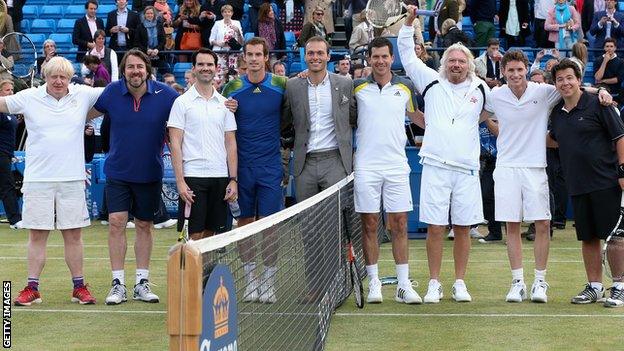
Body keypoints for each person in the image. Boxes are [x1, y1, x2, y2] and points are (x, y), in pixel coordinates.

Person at [399, 5, 489, 303]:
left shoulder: (482, 88)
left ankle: (460, 283)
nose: (456, 65)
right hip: (436, 166)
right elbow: (406, 55)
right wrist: (410, 22)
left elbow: (514, 101)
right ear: (444, 63)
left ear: (469, 65)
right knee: (436, 228)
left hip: (466, 169)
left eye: (461, 61)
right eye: (451, 60)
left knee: (463, 228)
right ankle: (434, 283)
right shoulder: (430, 81)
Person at [8, 57, 102, 306]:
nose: (59, 81)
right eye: (54, 76)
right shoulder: (29, 96)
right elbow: (3, 103)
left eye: (63, 76)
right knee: (37, 235)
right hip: (38, 179)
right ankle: (32, 288)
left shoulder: (83, 94)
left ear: (70, 78)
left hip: (72, 179)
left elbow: (115, 95)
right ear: (45, 76)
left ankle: (79, 287)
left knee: (73, 235)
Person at [89, 49, 179, 305]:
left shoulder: (167, 95)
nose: (135, 71)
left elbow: (190, 114)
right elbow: (82, 114)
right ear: (124, 70)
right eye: (130, 67)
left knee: (143, 225)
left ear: (147, 69)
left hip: (150, 173)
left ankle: (142, 282)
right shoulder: (111, 92)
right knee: (117, 222)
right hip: (117, 172)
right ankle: (118, 284)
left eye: (140, 66)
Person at [281, 36, 353, 302]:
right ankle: (315, 288)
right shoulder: (292, 85)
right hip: (305, 164)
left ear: (328, 55)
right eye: (310, 53)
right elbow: (284, 119)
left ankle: (335, 286)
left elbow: (353, 117)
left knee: (333, 229)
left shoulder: (345, 83)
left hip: (336, 161)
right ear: (305, 55)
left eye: (319, 53)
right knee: (309, 230)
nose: (315, 57)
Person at [352, 37, 422, 304]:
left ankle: (404, 285)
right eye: (375, 57)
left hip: (396, 165)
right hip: (366, 166)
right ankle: (374, 283)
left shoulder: (406, 86)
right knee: (370, 225)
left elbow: (418, 118)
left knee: (400, 224)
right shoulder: (357, 87)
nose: (380, 61)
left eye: (384, 56)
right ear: (369, 59)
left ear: (392, 58)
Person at [548, 58, 624, 307]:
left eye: (570, 77)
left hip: (607, 182)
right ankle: (595, 286)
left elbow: (620, 137)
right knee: (588, 238)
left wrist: (623, 171)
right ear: (555, 84)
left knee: (615, 238)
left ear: (579, 80)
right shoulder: (556, 114)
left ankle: (620, 286)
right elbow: (554, 140)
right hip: (577, 185)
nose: (565, 82)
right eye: (560, 79)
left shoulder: (599, 104)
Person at [222, 37, 287, 304]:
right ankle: (251, 281)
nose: (254, 58)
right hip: (242, 168)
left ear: (266, 57)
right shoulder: (231, 88)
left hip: (271, 167)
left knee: (270, 227)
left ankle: (269, 283)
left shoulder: (282, 85)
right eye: (249, 54)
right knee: (244, 225)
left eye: (258, 54)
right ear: (244, 58)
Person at [168, 48, 237, 240]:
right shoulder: (181, 103)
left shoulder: (225, 104)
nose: (205, 68)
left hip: (220, 177)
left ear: (216, 68)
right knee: (193, 236)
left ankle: (205, 272)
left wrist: (233, 179)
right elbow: (175, 144)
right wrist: (180, 182)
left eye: (209, 65)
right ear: (193, 69)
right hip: (193, 177)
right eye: (201, 64)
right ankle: (191, 272)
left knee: (213, 236)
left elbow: (230, 144)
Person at [0, 79, 21, 229]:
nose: (11, 93)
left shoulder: (9, 112)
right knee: (7, 185)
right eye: (7, 90)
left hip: (6, 153)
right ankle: (15, 220)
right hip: (1, 153)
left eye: (12, 90)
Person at [209, 4, 243, 78]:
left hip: (233, 53)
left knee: (233, 75)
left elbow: (241, 42)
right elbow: (211, 40)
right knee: (219, 75)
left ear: (232, 13)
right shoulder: (217, 23)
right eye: (225, 12)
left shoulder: (237, 23)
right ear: (222, 13)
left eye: (229, 12)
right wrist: (219, 43)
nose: (227, 13)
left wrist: (238, 32)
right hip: (220, 52)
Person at [135, 6, 167, 75]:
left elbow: (163, 40)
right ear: (144, 15)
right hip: (144, 55)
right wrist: (146, 50)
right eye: (147, 13)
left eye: (151, 13)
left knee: (166, 70)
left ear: (154, 14)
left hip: (159, 54)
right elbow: (137, 42)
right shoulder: (140, 26)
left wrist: (157, 49)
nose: (149, 15)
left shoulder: (159, 25)